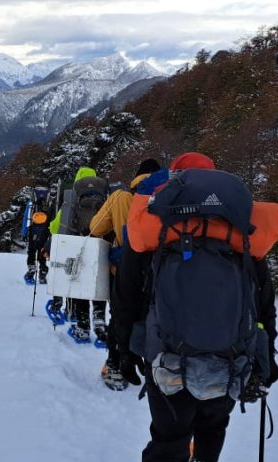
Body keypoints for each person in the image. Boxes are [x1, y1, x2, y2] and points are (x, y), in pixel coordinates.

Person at [117, 152, 278, 462]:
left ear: (174, 181)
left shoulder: (156, 227)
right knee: (212, 429)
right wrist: (267, 354)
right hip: (231, 358)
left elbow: (126, 296)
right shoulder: (240, 231)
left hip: (165, 356)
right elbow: (263, 302)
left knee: (168, 438)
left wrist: (124, 349)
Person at [88, 158, 162, 391]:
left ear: (137, 177)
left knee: (120, 317)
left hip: (125, 269)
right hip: (162, 273)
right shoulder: (172, 196)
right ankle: (157, 370)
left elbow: (95, 227)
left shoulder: (122, 197)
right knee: (155, 318)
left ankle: (116, 367)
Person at [48, 166, 108, 343]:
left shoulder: (73, 197)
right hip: (100, 244)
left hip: (78, 246)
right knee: (99, 282)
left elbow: (56, 227)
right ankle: (99, 320)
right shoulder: (105, 193)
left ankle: (82, 327)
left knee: (80, 285)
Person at [25, 211, 50, 284]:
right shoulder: (46, 227)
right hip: (42, 245)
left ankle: (32, 271)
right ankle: (42, 274)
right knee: (41, 258)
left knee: (32, 254)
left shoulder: (31, 228)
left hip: (34, 244)